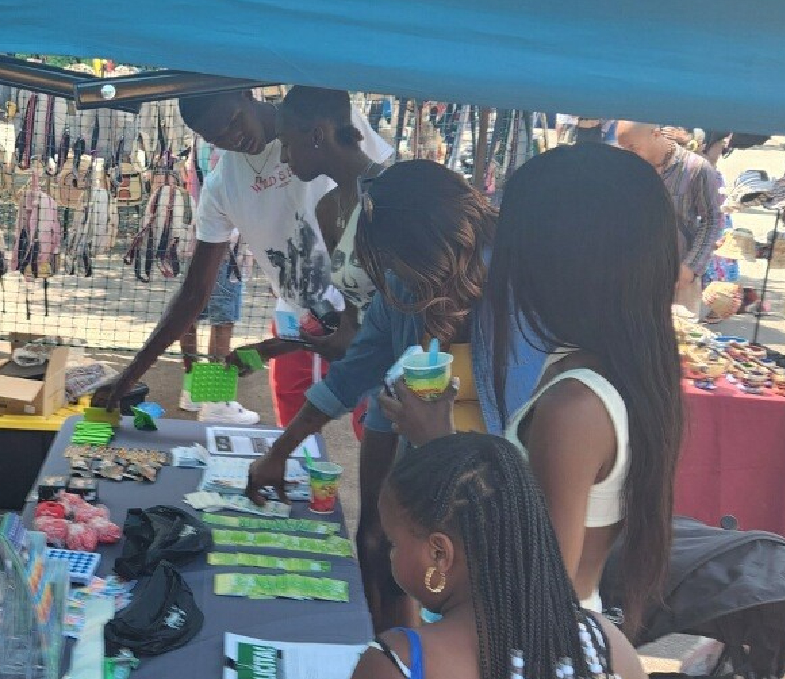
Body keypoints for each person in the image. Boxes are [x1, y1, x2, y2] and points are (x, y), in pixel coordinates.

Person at [244, 133, 544, 630]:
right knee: (388, 559)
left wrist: (435, 445)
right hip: (426, 480)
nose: (390, 277)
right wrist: (280, 451)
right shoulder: (404, 290)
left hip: (494, 507)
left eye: (395, 262)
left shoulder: (517, 296)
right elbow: (351, 377)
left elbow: (522, 456)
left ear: (433, 247)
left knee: (469, 614)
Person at [385, 143, 683, 638]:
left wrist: (437, 446)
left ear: (555, 261)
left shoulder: (575, 407)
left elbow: (540, 585)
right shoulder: (599, 372)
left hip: (524, 648)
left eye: (511, 243)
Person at [92, 89, 393, 430]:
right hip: (301, 322)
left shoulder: (320, 114)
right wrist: (129, 376)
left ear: (247, 95)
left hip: (367, 316)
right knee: (301, 435)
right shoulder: (221, 186)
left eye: (234, 122)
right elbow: (194, 292)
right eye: (217, 137)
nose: (232, 138)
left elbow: (380, 189)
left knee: (375, 425)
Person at [341, 433, 656, 679]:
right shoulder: (609, 648)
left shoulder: (397, 670)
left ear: (439, 553)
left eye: (394, 543)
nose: (391, 557)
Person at [178, 137, 259, 423]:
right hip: (225, 244)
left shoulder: (200, 141)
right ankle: (216, 402)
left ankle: (192, 390)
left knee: (190, 316)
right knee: (222, 322)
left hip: (197, 238)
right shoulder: (230, 147)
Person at [616, 120, 723, 316]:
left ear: (656, 134)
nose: (628, 155)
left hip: (679, 279)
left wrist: (691, 267)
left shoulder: (696, 168)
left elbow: (713, 220)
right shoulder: (629, 170)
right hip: (634, 277)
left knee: (679, 334)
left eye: (633, 147)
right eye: (624, 149)